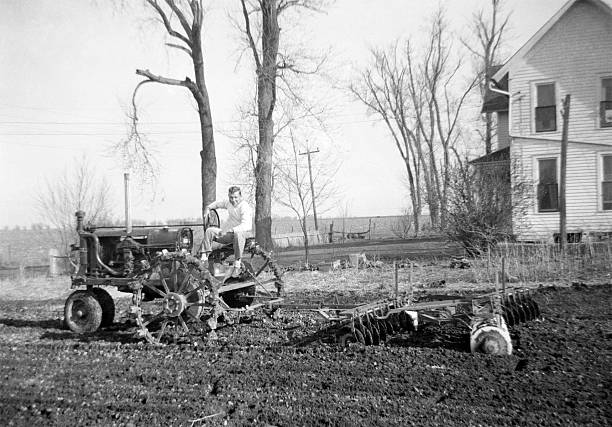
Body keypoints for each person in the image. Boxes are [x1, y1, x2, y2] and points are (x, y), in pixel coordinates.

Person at [200, 186, 253, 276]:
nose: (233, 200)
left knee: (238, 234)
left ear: (240, 196)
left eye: (235, 197)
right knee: (209, 231)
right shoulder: (228, 203)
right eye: (231, 197)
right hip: (229, 233)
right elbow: (218, 204)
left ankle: (237, 264)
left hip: (244, 233)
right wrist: (208, 208)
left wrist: (232, 230)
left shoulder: (244, 207)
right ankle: (204, 258)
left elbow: (246, 225)